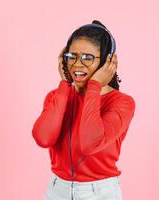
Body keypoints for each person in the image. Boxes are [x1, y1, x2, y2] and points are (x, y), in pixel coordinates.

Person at [32, 20, 136, 200]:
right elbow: (43, 138)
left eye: (88, 57)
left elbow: (90, 143)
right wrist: (65, 84)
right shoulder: (57, 96)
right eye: (72, 56)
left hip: (100, 192)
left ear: (106, 61)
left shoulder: (122, 103)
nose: (77, 64)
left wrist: (94, 86)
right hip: (57, 190)